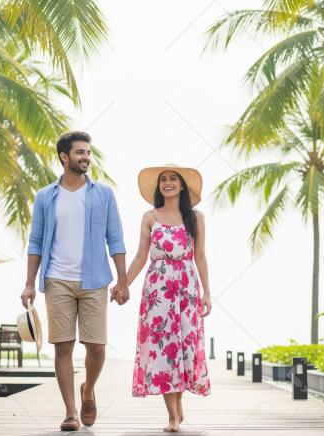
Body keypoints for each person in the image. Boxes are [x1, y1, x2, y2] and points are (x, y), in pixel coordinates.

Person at [20, 131, 129, 432]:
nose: (86, 158)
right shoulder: (45, 197)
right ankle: (71, 412)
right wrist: (30, 283)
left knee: (97, 347)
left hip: (95, 280)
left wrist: (122, 280)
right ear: (64, 157)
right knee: (63, 346)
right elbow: (36, 241)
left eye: (88, 153)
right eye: (80, 153)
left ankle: (88, 389)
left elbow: (115, 238)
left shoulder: (103, 194)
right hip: (57, 280)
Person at [126, 164, 212, 432]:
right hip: (158, 287)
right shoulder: (150, 217)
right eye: (163, 179)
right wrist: (123, 284)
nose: (167, 182)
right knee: (163, 348)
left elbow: (199, 256)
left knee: (184, 347)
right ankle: (173, 415)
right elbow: (141, 256)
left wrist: (207, 292)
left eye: (173, 178)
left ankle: (178, 406)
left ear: (183, 185)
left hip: (186, 286)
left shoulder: (195, 217)